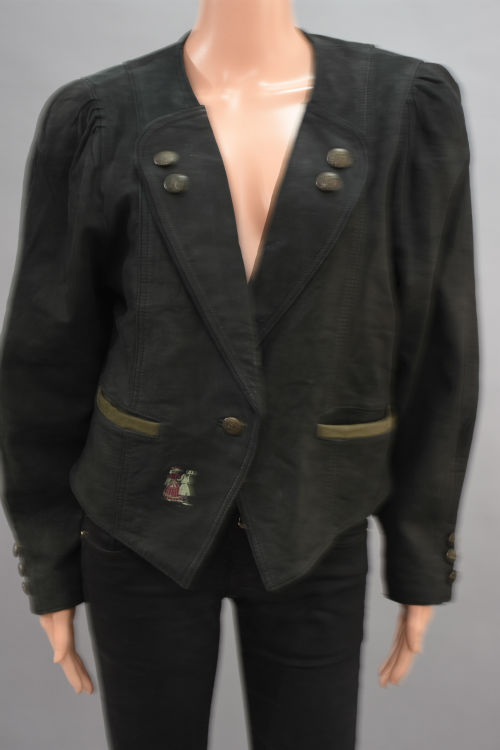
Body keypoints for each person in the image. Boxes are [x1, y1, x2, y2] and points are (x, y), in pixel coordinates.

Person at [0, 1, 479, 748]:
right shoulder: (101, 114)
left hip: (314, 511)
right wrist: (49, 558)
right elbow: (47, 352)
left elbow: (435, 345)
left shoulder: (401, 106)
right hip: (143, 516)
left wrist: (421, 551)